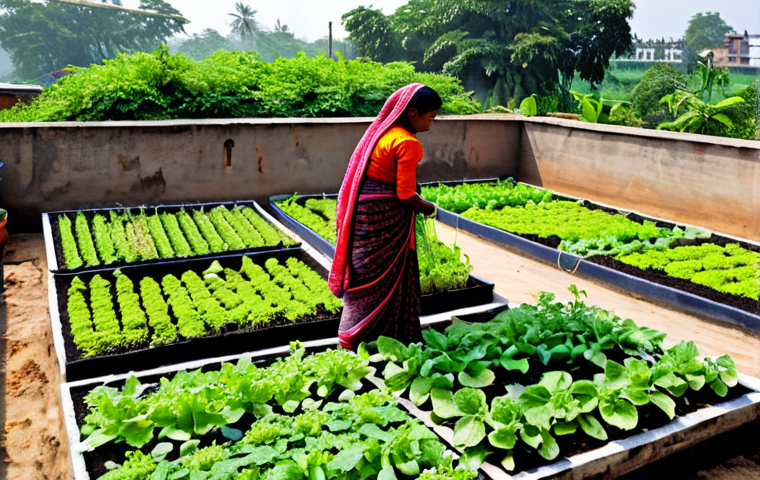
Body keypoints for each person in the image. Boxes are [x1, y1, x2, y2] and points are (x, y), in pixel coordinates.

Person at [329, 83, 440, 350]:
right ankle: (392, 339)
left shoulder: (383, 134)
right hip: (387, 218)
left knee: (364, 276)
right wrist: (430, 208)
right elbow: (405, 195)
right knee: (388, 279)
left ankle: (352, 335)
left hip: (364, 215)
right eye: (430, 117)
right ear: (412, 112)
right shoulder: (408, 143)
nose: (431, 124)